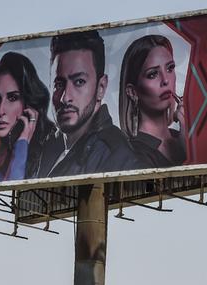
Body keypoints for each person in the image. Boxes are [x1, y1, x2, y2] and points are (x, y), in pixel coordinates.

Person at [38, 31, 144, 179]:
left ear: (101, 88)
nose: (65, 97)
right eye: (59, 84)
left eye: (79, 82)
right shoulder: (49, 146)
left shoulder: (117, 157)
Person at [0, 52, 55, 183]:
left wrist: (22, 142)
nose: (0, 110)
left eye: (12, 98)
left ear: (28, 107)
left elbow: (14, 184)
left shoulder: (40, 167)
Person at [119, 35, 187, 168]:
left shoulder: (183, 136)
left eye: (170, 68)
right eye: (152, 74)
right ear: (132, 92)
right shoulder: (132, 154)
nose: (165, 80)